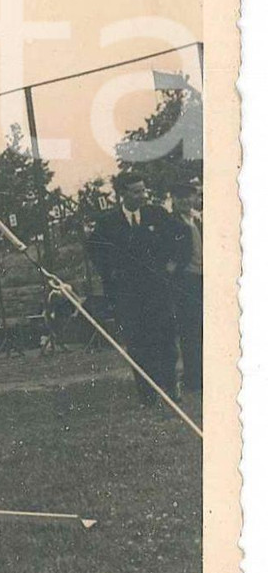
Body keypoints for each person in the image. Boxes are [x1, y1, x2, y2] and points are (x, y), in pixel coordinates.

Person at [88, 173, 178, 406]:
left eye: (144, 190)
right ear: (123, 194)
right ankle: (147, 395)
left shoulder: (157, 215)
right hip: (129, 296)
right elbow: (96, 252)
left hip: (158, 292)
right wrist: (112, 274)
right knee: (138, 344)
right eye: (137, 191)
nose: (143, 195)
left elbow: (178, 238)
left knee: (165, 340)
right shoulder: (107, 223)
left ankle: (170, 387)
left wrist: (171, 264)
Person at [167, 176, 203, 401]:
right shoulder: (171, 223)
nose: (185, 201)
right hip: (185, 279)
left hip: (204, 277)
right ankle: (193, 378)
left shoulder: (198, 219)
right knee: (190, 330)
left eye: (189, 197)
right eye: (179, 198)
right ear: (173, 200)